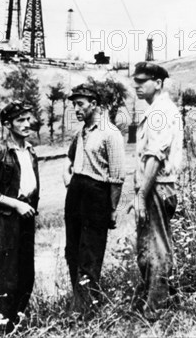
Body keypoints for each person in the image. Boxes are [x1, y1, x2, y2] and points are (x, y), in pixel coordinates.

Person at [0, 101, 40, 336]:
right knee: (2, 277)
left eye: (28, 119)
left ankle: (13, 326)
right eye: (20, 120)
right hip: (7, 221)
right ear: (7, 124)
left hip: (26, 219)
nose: (26, 124)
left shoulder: (29, 151)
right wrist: (15, 204)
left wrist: (27, 207)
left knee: (24, 275)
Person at [63, 84, 125, 314]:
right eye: (74, 105)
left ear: (95, 104)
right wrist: (68, 176)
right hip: (76, 193)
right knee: (72, 251)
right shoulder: (81, 132)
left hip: (96, 195)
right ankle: (80, 302)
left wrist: (112, 209)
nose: (76, 109)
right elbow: (69, 159)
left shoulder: (110, 133)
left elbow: (117, 177)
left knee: (90, 253)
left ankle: (85, 310)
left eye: (80, 104)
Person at [131, 62, 183, 320]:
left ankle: (156, 310)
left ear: (159, 83)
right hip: (154, 187)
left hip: (157, 188)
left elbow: (155, 156)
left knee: (157, 248)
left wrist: (141, 195)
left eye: (142, 81)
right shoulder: (156, 110)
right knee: (149, 248)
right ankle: (162, 299)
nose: (136, 86)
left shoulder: (161, 111)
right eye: (135, 81)